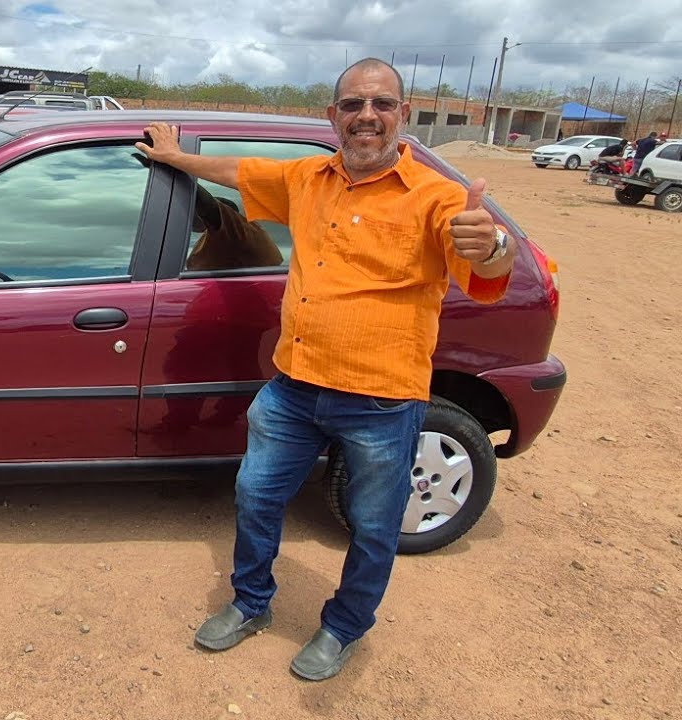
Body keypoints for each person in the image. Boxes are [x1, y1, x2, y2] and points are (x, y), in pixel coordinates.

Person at [134, 57, 516, 681]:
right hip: (294, 388)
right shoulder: (307, 178)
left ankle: (343, 628)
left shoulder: (439, 199)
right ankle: (251, 602)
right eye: (354, 104)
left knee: (373, 525)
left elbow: (486, 264)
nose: (367, 116)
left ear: (403, 114)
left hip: (382, 401)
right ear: (333, 115)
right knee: (256, 495)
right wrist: (178, 158)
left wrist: (495, 245)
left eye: (382, 104)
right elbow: (238, 171)